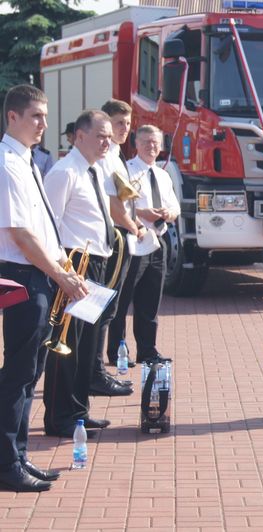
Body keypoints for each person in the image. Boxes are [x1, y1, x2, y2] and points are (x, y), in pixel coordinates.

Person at [0, 84, 88, 492]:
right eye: (35, 116)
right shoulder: (7, 162)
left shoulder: (28, 161)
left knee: (29, 370)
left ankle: (17, 455)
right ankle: (6, 463)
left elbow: (40, 227)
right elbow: (19, 233)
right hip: (23, 275)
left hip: (39, 273)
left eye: (45, 117)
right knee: (18, 373)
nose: (43, 125)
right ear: (12, 117)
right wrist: (58, 274)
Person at [42, 109, 130, 438]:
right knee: (67, 344)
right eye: (100, 136)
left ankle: (78, 412)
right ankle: (59, 417)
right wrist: (64, 272)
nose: (107, 142)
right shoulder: (65, 172)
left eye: (109, 136)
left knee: (86, 344)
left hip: (96, 262)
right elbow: (48, 226)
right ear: (80, 136)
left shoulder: (92, 170)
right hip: (73, 264)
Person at [108, 125, 180, 364]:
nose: (152, 147)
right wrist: (143, 212)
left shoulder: (163, 174)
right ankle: (117, 350)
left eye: (156, 142)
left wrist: (168, 213)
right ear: (136, 144)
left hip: (158, 241)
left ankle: (147, 350)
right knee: (123, 299)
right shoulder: (126, 171)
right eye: (147, 142)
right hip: (134, 241)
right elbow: (118, 206)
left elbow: (176, 207)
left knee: (150, 300)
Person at [95, 99, 144, 395]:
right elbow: (113, 204)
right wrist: (133, 226)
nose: (124, 129)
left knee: (111, 308)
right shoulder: (106, 157)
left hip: (121, 236)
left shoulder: (116, 154)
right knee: (104, 307)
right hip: (113, 236)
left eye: (127, 123)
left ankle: (96, 370)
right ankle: (95, 371)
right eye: (118, 123)